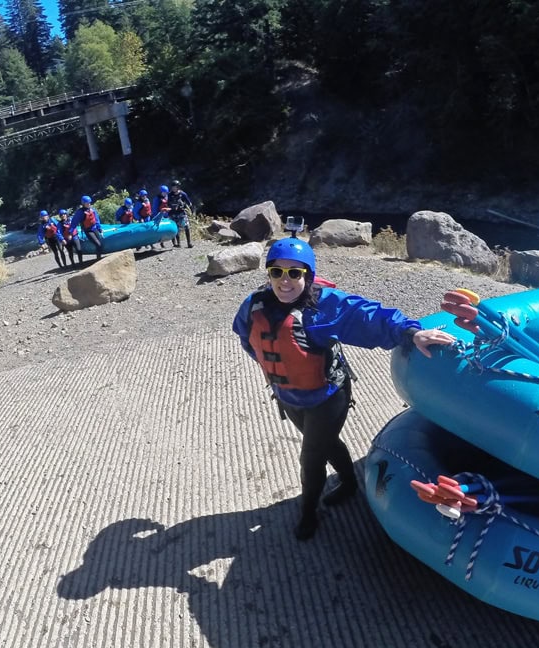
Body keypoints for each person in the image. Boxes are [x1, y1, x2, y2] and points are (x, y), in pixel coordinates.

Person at [231, 237, 455, 541]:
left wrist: (411, 331)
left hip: (327, 397)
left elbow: (368, 314)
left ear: (308, 275)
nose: (285, 281)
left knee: (310, 458)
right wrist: (279, 370)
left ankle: (308, 513)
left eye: (294, 273)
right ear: (268, 273)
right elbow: (248, 340)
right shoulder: (253, 305)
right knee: (325, 443)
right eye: (276, 272)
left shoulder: (322, 307)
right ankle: (350, 482)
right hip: (289, 396)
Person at [68, 195, 104, 261]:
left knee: (100, 244)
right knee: (98, 244)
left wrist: (100, 229)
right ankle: (98, 260)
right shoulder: (80, 212)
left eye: (89, 203)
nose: (89, 204)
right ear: (83, 203)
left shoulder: (92, 210)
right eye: (87, 203)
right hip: (88, 231)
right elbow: (74, 223)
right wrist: (70, 233)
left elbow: (97, 220)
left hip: (94, 228)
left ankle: (99, 258)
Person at [169, 180, 193, 248]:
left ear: (178, 187)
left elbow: (189, 204)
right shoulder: (169, 195)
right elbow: (168, 204)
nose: (173, 188)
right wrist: (172, 206)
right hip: (173, 213)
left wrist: (183, 205)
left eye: (175, 187)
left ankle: (189, 243)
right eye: (173, 187)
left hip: (181, 213)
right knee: (176, 229)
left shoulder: (183, 194)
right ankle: (178, 243)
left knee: (186, 227)